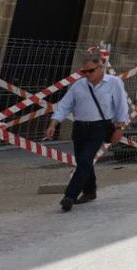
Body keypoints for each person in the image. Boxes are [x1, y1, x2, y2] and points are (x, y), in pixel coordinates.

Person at [43, 55, 130, 212]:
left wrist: (119, 128)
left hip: (99, 127)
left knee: (84, 160)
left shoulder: (114, 83)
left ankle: (70, 195)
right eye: (84, 71)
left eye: (90, 70)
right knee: (84, 161)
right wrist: (53, 123)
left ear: (100, 67)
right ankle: (90, 191)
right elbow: (64, 106)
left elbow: (121, 106)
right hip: (80, 127)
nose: (87, 74)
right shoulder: (79, 86)